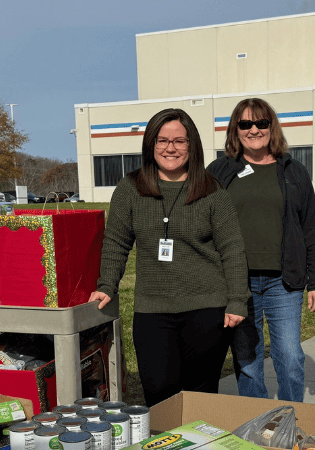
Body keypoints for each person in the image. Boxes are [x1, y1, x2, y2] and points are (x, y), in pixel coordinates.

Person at [89, 108, 246, 407]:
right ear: (151, 144)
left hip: (206, 308)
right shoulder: (131, 188)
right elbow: (116, 241)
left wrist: (237, 299)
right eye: (162, 140)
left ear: (192, 145)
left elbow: (233, 249)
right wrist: (107, 284)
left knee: (200, 395)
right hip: (153, 310)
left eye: (179, 141)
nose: (170, 148)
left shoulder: (212, 190)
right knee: (159, 392)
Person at [204, 98, 315, 402]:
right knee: (248, 360)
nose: (254, 129)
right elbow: (201, 221)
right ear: (236, 130)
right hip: (236, 283)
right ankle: (254, 423)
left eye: (261, 123)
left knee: (289, 356)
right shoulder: (220, 170)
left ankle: (290, 419)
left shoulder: (293, 171)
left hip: (283, 281)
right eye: (245, 124)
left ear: (272, 127)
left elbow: (310, 225)